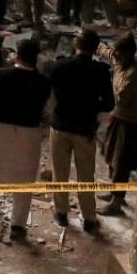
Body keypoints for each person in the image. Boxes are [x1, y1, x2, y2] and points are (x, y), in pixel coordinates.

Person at [0, 38, 51, 239]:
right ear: (36, 60)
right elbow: (49, 112)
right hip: (28, 135)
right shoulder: (45, 83)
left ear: (16, 55)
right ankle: (17, 224)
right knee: (25, 181)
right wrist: (42, 133)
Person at [49, 29, 115, 232]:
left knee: (59, 172)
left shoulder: (60, 65)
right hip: (85, 129)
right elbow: (109, 103)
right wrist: (93, 113)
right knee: (86, 175)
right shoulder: (101, 71)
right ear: (95, 49)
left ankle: (61, 213)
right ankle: (88, 217)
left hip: (60, 125)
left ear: (76, 45)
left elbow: (51, 95)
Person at [97, 34, 137, 216]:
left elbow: (121, 97)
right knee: (110, 156)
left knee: (122, 162)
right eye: (116, 53)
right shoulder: (118, 61)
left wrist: (109, 80)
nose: (116, 57)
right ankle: (114, 192)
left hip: (129, 122)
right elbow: (106, 52)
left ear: (130, 54)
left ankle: (117, 202)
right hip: (116, 118)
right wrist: (96, 45)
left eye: (120, 54)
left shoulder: (134, 72)